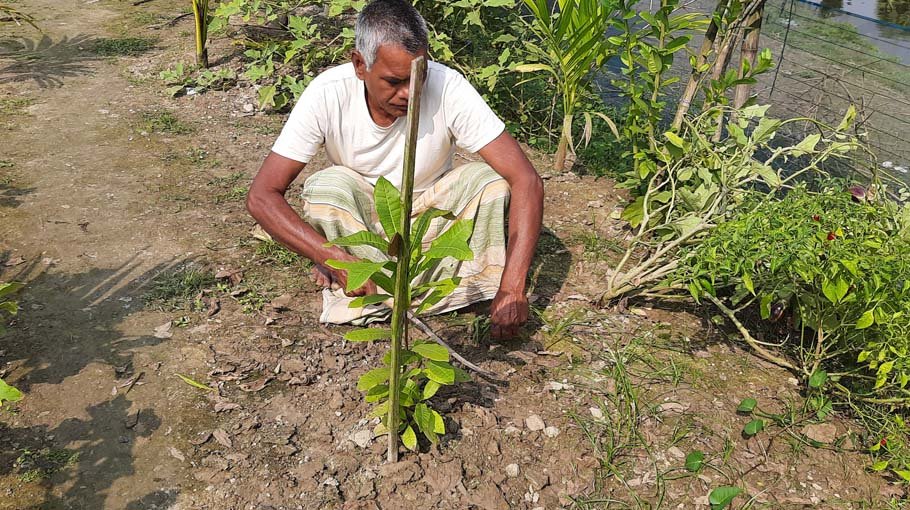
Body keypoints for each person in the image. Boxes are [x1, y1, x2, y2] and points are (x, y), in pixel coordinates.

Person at [246, 0, 543, 340]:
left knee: (489, 182)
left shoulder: (449, 87)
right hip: (364, 223)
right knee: (328, 188)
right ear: (359, 64)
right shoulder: (328, 93)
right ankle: (382, 281)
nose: (408, 93)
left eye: (419, 77)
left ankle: (434, 289)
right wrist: (330, 256)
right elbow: (261, 196)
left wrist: (513, 285)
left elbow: (527, 179)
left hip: (432, 219)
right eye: (394, 81)